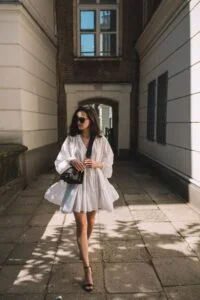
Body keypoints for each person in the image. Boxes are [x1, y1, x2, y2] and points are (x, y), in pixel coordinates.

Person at [45, 105, 119, 292]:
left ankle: (83, 246)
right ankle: (87, 268)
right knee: (82, 225)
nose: (78, 122)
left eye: (82, 119)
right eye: (77, 119)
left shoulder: (101, 141)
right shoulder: (71, 139)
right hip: (77, 186)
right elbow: (59, 160)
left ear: (91, 120)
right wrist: (71, 160)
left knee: (92, 221)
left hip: (94, 184)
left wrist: (96, 163)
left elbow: (108, 163)